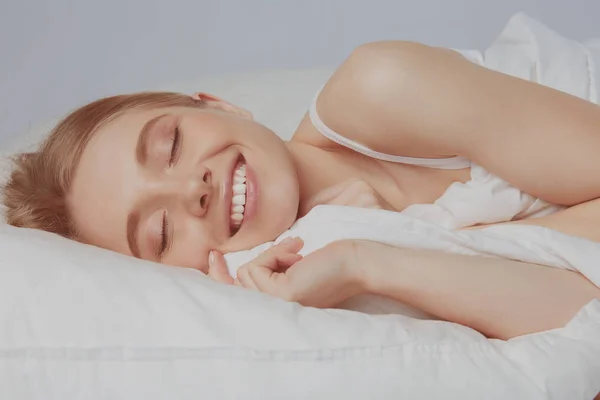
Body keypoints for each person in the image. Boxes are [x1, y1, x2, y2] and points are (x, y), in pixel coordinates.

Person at [3, 41, 600, 339]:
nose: (193, 190)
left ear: (218, 104)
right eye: (160, 232)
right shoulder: (314, 282)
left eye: (171, 145)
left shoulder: (379, 87)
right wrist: (366, 261)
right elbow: (577, 322)